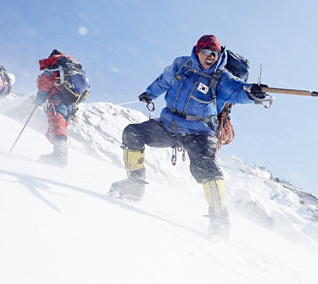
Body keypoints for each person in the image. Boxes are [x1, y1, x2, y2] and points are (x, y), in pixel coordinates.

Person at [108, 35, 267, 238]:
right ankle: (134, 186)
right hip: (169, 125)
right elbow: (163, 81)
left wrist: (253, 93)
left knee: (208, 169)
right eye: (206, 52)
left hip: (199, 133)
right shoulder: (181, 65)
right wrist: (149, 93)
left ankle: (219, 222)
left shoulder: (222, 78)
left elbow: (239, 91)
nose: (210, 57)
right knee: (132, 133)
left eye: (215, 54)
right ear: (197, 51)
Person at [34, 49, 90, 168]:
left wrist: (38, 101)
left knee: (57, 128)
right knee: (56, 130)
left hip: (57, 102)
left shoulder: (54, 68)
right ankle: (60, 153)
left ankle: (60, 157)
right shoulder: (72, 68)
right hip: (71, 106)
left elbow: (43, 85)